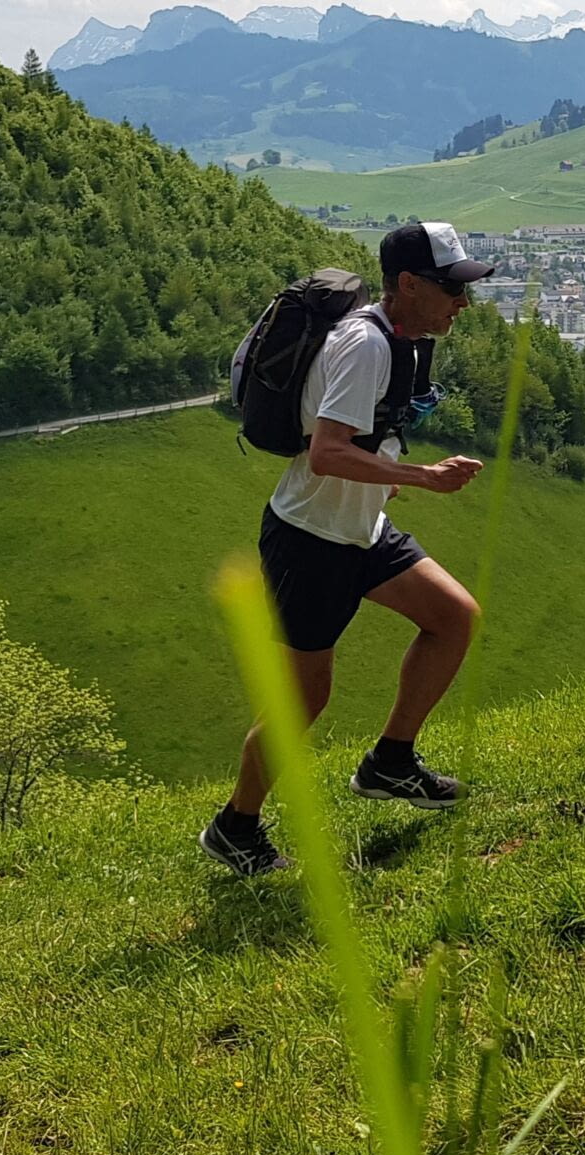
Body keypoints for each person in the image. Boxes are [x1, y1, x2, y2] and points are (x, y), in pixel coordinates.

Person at [201, 222, 495, 876]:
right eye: (452, 288)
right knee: (302, 702)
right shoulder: (366, 346)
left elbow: (366, 439)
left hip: (360, 531)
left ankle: (391, 763)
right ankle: (235, 828)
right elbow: (328, 453)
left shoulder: (404, 339)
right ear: (409, 284)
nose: (463, 303)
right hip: (311, 541)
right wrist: (423, 477)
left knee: (453, 618)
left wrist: (390, 477)